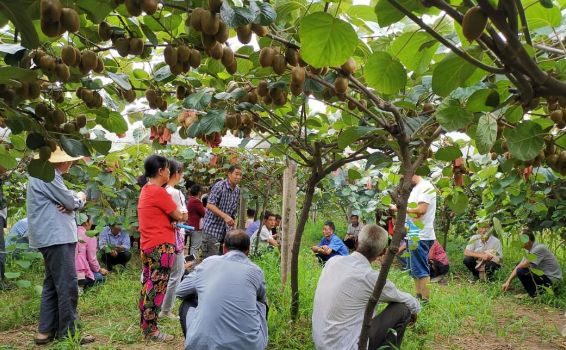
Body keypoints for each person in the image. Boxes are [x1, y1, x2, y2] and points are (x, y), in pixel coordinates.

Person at [312, 224, 420, 350]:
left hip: (320, 344)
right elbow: (410, 302)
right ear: (383, 252)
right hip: (347, 347)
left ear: (357, 241)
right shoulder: (371, 278)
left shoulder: (332, 262)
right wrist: (414, 311)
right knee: (403, 309)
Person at [26, 146, 94, 345]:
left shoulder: (42, 175)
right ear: (62, 161)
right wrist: (79, 197)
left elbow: (66, 200)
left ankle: (45, 331)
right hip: (57, 237)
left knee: (51, 284)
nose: (71, 163)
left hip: (48, 237)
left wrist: (70, 200)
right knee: (67, 286)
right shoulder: (49, 176)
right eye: (69, 160)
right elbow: (71, 202)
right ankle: (68, 332)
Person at [176, 229, 268, 350]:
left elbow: (180, 291)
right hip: (249, 346)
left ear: (224, 248)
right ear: (248, 251)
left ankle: (197, 339)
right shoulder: (256, 271)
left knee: (187, 302)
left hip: (202, 346)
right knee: (261, 303)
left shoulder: (207, 263)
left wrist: (201, 293)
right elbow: (261, 299)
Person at [137, 155, 186, 342]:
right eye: (167, 169)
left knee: (148, 285)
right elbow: (179, 215)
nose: (169, 172)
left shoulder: (146, 190)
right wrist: (177, 217)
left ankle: (145, 324)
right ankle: (151, 331)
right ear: (160, 171)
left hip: (149, 245)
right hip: (161, 247)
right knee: (157, 288)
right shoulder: (158, 192)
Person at [390, 175, 437, 303]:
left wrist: (401, 208)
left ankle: (425, 300)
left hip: (421, 234)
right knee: (415, 268)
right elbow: (414, 216)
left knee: (421, 268)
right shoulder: (416, 188)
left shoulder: (425, 187)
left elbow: (421, 210)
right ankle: (419, 295)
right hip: (415, 232)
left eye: (403, 177)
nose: (403, 180)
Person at [160, 160, 189, 320]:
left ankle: (158, 305)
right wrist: (180, 217)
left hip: (162, 237)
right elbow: (183, 216)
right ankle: (166, 310)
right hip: (174, 237)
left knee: (163, 273)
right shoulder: (175, 193)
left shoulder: (158, 190)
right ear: (177, 173)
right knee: (176, 273)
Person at [502, 230, 562, 297]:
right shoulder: (528, 250)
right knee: (519, 267)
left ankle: (533, 294)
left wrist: (509, 281)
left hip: (551, 281)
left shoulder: (539, 248)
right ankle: (535, 291)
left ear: (527, 240)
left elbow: (524, 265)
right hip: (544, 278)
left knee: (521, 270)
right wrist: (508, 281)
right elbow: (520, 265)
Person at [200, 165, 242, 258]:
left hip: (225, 233)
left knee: (221, 261)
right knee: (210, 261)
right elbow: (210, 204)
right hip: (212, 230)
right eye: (236, 174)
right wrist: (225, 216)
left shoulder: (237, 191)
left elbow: (233, 211)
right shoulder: (219, 186)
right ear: (229, 174)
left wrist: (232, 223)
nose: (238, 177)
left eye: (240, 175)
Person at [75, 216, 107, 289]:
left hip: (64, 270)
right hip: (79, 271)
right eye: (91, 223)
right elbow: (92, 259)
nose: (91, 225)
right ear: (86, 223)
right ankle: (79, 284)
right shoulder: (90, 236)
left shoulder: (70, 233)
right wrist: (99, 269)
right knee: (100, 277)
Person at [186, 184, 205, 257]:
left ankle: (190, 263)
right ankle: (192, 265)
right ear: (199, 192)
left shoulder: (190, 199)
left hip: (190, 225)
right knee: (195, 247)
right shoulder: (196, 201)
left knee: (192, 246)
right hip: (195, 227)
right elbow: (203, 213)